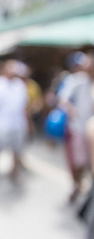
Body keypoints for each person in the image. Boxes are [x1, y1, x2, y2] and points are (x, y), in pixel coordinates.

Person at [58, 52, 94, 203]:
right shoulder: (76, 80)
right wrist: (72, 111)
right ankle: (77, 185)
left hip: (89, 129)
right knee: (79, 162)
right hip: (79, 128)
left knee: (88, 162)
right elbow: (62, 99)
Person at [0, 60, 28, 183]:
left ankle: (14, 172)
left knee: (17, 149)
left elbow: (24, 106)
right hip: (1, 123)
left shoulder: (20, 85)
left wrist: (28, 123)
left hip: (18, 123)